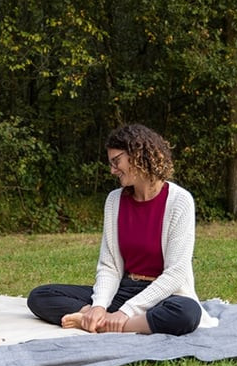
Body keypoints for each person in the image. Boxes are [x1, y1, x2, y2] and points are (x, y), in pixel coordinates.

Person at [27, 123, 217, 335]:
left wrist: (126, 312)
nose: (112, 170)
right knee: (41, 296)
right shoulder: (114, 200)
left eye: (116, 161)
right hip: (124, 289)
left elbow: (175, 275)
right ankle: (101, 318)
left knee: (186, 313)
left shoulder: (180, 201)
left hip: (164, 294)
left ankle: (108, 324)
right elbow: (109, 266)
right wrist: (99, 305)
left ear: (138, 156)